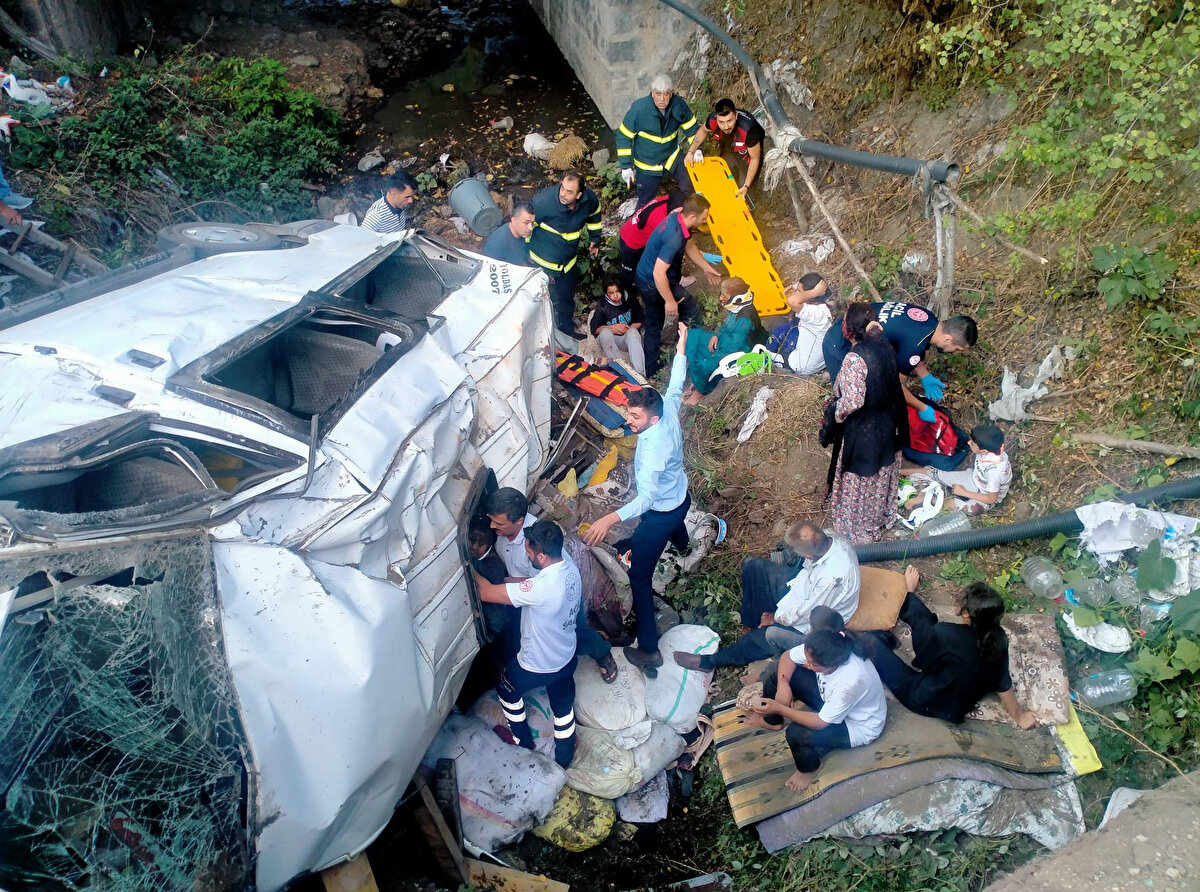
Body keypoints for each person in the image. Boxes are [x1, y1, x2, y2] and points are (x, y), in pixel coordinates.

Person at [583, 323, 693, 674]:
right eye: (628, 412)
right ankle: (685, 546)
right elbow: (675, 385)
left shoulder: (652, 453)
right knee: (677, 523)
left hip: (659, 513)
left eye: (634, 416)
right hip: (681, 498)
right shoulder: (668, 410)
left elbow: (645, 500)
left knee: (639, 578)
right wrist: (681, 347)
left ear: (652, 418)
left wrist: (607, 519)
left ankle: (648, 647)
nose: (628, 420)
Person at [864, 567, 1037, 728]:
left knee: (869, 642)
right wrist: (1019, 717)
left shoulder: (945, 634)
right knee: (928, 628)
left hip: (926, 701)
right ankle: (907, 597)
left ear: (966, 614)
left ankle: (907, 595)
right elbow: (1003, 683)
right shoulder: (999, 637)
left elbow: (923, 658)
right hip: (957, 708)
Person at [674, 522, 859, 671]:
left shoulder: (834, 578)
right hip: (803, 587)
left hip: (818, 618)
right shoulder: (827, 536)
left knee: (763, 638)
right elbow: (804, 578)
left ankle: (709, 662)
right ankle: (753, 621)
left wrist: (775, 617)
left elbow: (807, 613)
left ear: (808, 554)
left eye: (798, 553)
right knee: (752, 565)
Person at [473, 521, 581, 767]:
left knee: (507, 690)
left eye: (529, 551)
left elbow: (485, 593)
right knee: (563, 708)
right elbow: (526, 584)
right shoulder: (569, 569)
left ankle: (522, 741)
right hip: (566, 657)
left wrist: (468, 565)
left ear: (541, 556)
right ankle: (564, 758)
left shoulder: (540, 588)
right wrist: (506, 579)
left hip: (535, 666)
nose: (526, 553)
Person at [487, 487, 619, 683]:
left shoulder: (536, 543)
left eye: (498, 523)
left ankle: (602, 652)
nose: (491, 526)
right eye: (491, 520)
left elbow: (538, 584)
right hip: (527, 593)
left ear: (519, 522)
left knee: (573, 629)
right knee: (520, 631)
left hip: (558, 593)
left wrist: (501, 584)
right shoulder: (502, 529)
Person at [749, 619, 887, 793]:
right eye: (807, 660)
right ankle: (773, 721)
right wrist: (783, 685)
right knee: (775, 671)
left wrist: (782, 708)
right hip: (833, 700)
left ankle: (810, 768)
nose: (807, 665)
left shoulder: (852, 681)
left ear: (832, 665)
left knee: (796, 733)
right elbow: (788, 657)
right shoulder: (824, 648)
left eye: (813, 665)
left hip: (858, 725)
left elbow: (820, 723)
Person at [828, 303, 909, 544]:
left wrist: (835, 412)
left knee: (862, 478)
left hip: (866, 429)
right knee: (880, 476)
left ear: (849, 330)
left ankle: (857, 531)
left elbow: (853, 400)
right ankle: (878, 517)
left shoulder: (856, 357)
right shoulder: (885, 346)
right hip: (889, 423)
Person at [823, 300, 977, 422]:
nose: (954, 352)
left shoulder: (928, 318)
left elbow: (909, 346)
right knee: (848, 395)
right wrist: (922, 408)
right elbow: (894, 386)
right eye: (957, 349)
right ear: (948, 339)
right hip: (840, 344)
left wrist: (925, 376)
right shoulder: (916, 345)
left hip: (847, 324)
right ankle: (839, 431)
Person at [634, 194, 722, 376]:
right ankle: (684, 354)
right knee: (689, 309)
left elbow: (689, 246)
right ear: (692, 217)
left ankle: (653, 367)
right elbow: (658, 273)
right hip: (654, 283)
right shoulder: (673, 237)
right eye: (703, 218)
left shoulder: (678, 215)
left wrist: (706, 268)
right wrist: (669, 301)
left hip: (647, 277)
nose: (705, 221)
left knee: (654, 323)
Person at [528, 171, 603, 339]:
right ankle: (535, 332)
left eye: (569, 192)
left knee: (566, 297)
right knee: (535, 296)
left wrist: (595, 239)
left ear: (579, 194)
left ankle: (566, 330)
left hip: (567, 260)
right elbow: (526, 225)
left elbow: (594, 216)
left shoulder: (589, 200)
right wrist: (524, 256)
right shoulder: (544, 201)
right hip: (541, 260)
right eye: (562, 188)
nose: (563, 193)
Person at [616, 74, 699, 208]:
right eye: (658, 94)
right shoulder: (639, 110)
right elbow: (624, 136)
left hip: (671, 156)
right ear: (652, 93)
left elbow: (692, 128)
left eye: (666, 94)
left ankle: (686, 216)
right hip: (647, 163)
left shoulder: (678, 105)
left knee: (691, 184)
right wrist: (625, 166)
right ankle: (641, 226)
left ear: (671, 94)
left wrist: (696, 150)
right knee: (646, 203)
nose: (662, 99)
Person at [904, 423, 1013, 516]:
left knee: (964, 507)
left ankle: (930, 499)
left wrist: (964, 492)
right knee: (933, 473)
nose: (968, 443)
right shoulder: (992, 451)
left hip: (986, 496)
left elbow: (991, 499)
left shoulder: (995, 472)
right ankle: (900, 473)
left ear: (983, 451)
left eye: (972, 443)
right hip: (974, 479)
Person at [682, 277, 760, 401]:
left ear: (737, 298)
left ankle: (702, 390)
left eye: (724, 295)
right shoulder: (736, 307)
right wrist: (716, 335)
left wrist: (713, 356)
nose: (720, 298)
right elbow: (726, 326)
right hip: (725, 340)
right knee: (692, 336)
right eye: (721, 294)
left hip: (738, 351)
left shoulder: (745, 319)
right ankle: (698, 381)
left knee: (705, 365)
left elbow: (733, 348)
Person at [684, 97, 765, 197]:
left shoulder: (748, 130)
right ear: (717, 118)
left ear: (736, 115)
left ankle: (749, 204)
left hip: (748, 157)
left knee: (745, 189)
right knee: (724, 177)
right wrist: (691, 151)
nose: (726, 126)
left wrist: (746, 186)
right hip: (729, 149)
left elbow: (755, 159)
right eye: (721, 122)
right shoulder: (713, 119)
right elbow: (703, 130)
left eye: (729, 121)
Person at [617, 179, 685, 292]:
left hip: (634, 233)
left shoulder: (670, 200)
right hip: (630, 242)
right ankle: (628, 294)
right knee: (628, 272)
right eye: (677, 213)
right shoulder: (662, 220)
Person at [766, 274, 836, 375]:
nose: (796, 293)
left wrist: (813, 292)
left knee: (775, 327)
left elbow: (793, 302)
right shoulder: (823, 307)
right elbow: (796, 305)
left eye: (799, 291)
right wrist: (798, 295)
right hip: (815, 361)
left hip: (802, 366)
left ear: (813, 295)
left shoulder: (817, 314)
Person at [589, 278, 646, 376]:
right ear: (606, 293)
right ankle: (620, 372)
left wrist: (627, 329)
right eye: (611, 293)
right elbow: (594, 330)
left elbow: (639, 320)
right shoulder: (602, 306)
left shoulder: (629, 299)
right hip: (608, 339)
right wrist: (613, 328)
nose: (615, 296)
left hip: (625, 337)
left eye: (617, 291)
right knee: (605, 333)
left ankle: (639, 374)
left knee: (633, 332)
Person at [481, 200, 535, 265]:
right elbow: (487, 269)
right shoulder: (497, 243)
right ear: (514, 220)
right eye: (526, 223)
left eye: (532, 223)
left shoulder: (523, 234)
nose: (530, 228)